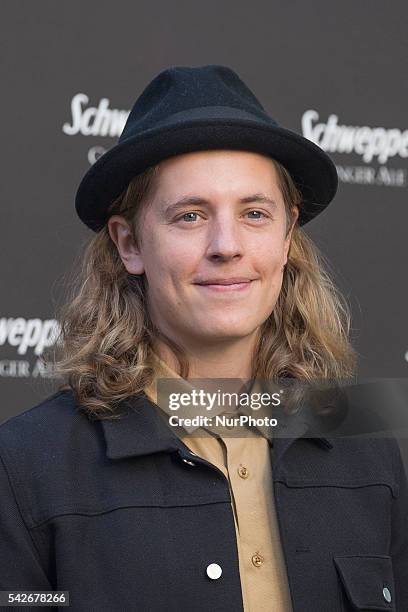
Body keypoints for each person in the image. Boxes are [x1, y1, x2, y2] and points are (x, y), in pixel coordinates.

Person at [0, 64, 407, 611]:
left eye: (255, 214)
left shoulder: (364, 442)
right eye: (190, 216)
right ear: (130, 244)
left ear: (287, 236)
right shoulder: (25, 464)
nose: (226, 245)